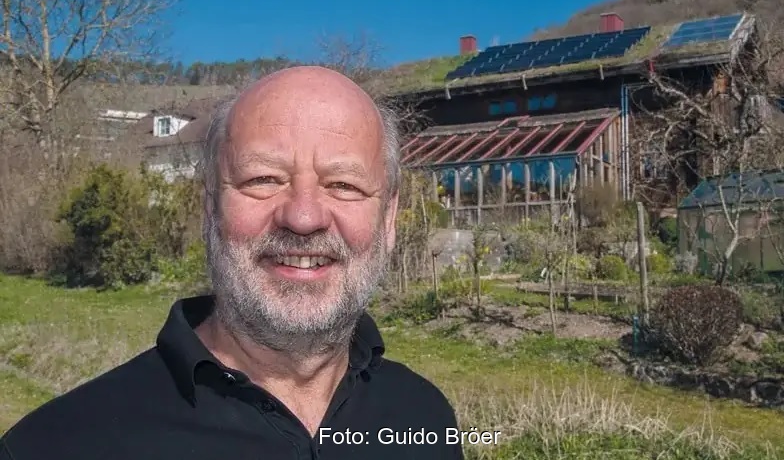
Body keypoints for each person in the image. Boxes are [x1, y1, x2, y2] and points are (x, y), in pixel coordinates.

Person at [0, 66, 465, 459]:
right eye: (263, 179)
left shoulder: (426, 420)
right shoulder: (57, 445)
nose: (303, 217)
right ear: (210, 209)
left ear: (388, 220)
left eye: (343, 185)